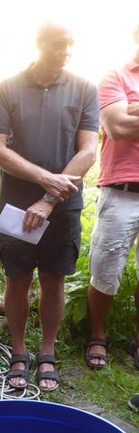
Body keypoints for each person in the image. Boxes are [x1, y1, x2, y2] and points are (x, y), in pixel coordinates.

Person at [0, 20, 99, 392]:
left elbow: (88, 151)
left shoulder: (84, 89)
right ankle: (19, 351)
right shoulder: (8, 89)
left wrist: (50, 197)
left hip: (63, 205)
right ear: (39, 44)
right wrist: (45, 179)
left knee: (54, 280)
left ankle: (47, 353)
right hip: (17, 206)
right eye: (58, 44)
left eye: (69, 45)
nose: (65, 52)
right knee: (17, 278)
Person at [86, 22, 139, 373]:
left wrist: (134, 109)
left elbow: (128, 120)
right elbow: (117, 127)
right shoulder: (115, 76)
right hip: (121, 191)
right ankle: (97, 336)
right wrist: (125, 114)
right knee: (105, 271)